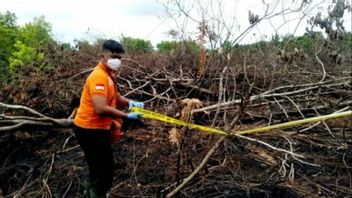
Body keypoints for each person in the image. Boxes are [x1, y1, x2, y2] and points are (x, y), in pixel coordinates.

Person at [73, 39, 144, 198]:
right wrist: (126, 116)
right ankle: (97, 194)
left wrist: (130, 102)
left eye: (119, 58)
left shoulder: (108, 74)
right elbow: (100, 109)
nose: (117, 61)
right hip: (90, 130)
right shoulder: (98, 76)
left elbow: (116, 97)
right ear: (103, 56)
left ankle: (91, 191)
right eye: (113, 56)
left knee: (97, 167)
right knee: (105, 170)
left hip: (95, 129)